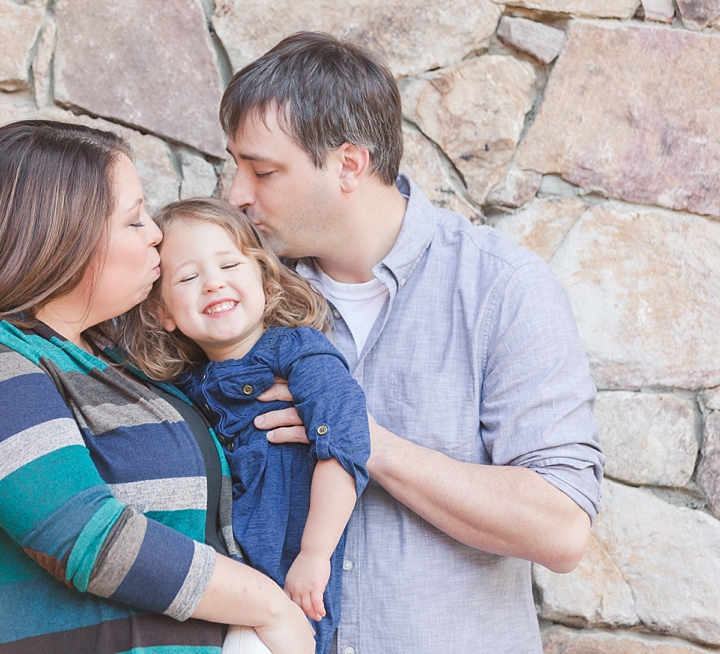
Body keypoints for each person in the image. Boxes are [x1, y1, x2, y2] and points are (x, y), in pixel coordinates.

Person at [218, 32, 606, 653]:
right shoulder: (235, 295)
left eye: (262, 170)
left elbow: (560, 528)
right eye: (235, 165)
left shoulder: (502, 289)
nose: (237, 194)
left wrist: (361, 439)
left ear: (349, 164)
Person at [0, 120, 315, 654]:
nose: (156, 232)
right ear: (60, 239)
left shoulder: (122, 362)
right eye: (134, 221)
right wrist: (271, 607)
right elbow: (82, 535)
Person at [120, 198, 371, 654]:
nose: (213, 283)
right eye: (189, 277)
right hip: (222, 590)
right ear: (163, 314)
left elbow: (345, 446)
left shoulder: (299, 353)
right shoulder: (182, 388)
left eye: (229, 264)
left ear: (265, 280)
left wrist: (314, 554)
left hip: (290, 578)